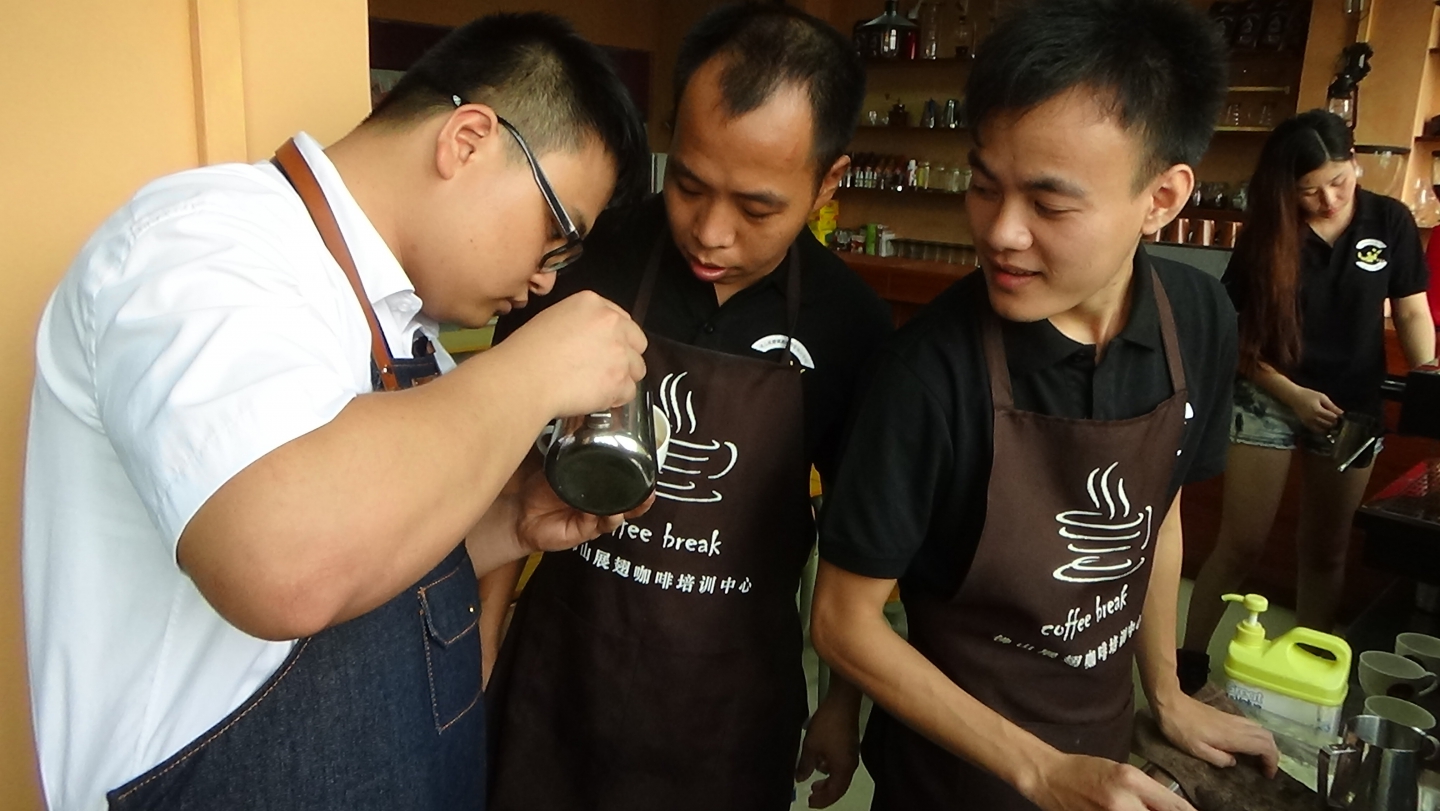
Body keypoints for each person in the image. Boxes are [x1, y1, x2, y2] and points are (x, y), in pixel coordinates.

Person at [23, 13, 651, 811]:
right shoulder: (200, 243)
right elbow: (286, 558)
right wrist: (533, 370)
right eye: (556, 234)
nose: (544, 280)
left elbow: (369, 572)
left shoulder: (407, 337)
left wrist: (510, 521)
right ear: (467, 140)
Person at [809, 1, 1281, 809]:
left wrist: (1165, 692)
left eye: (1050, 205)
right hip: (952, 780)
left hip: (1102, 753)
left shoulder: (1197, 321)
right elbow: (842, 620)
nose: (1002, 232)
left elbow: (1157, 514)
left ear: (1163, 197)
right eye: (983, 186)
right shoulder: (928, 374)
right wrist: (1039, 769)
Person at [481, 5, 892, 810]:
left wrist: (840, 704)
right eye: (690, 184)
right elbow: (496, 468)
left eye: (757, 207)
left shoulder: (851, 326)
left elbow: (856, 542)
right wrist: (482, 653)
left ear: (827, 182)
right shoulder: (582, 261)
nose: (710, 231)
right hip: (561, 685)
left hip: (726, 714)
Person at [1182, 111, 1436, 670]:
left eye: (1338, 182)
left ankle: (1307, 669)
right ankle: (1187, 663)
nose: (1328, 200)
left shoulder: (1389, 220)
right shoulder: (1270, 233)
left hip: (1353, 405)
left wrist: (1429, 379)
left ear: (1354, 163)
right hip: (1269, 395)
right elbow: (1236, 337)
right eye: (1309, 191)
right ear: (1287, 189)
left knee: (1326, 550)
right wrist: (1292, 394)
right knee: (1241, 544)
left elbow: (1412, 311)